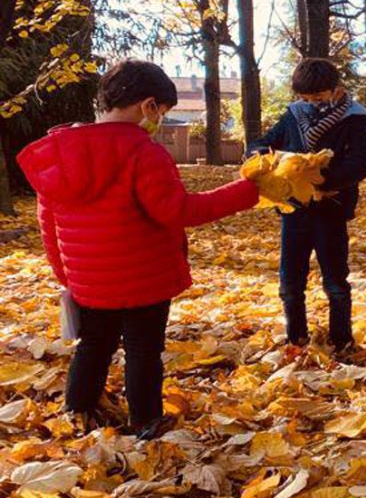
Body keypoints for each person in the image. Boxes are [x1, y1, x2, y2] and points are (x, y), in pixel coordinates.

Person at [16, 60, 260, 439]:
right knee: (143, 350)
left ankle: (78, 409)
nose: (159, 120)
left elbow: (48, 224)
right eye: (162, 112)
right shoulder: (143, 152)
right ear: (149, 105)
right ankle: (145, 420)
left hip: (89, 280)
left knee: (94, 345)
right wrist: (248, 191)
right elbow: (179, 211)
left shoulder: (61, 153)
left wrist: (67, 277)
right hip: (145, 279)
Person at [248, 58, 366, 356]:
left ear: (335, 90)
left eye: (318, 98)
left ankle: (342, 340)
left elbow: (361, 162)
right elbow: (265, 141)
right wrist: (256, 157)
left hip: (331, 207)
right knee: (290, 282)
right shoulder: (295, 114)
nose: (311, 104)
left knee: (335, 282)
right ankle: (296, 339)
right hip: (294, 208)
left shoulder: (355, 118)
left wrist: (326, 177)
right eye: (305, 98)